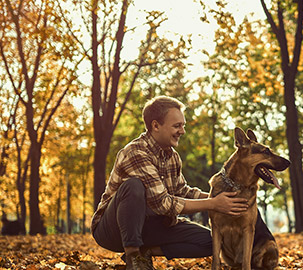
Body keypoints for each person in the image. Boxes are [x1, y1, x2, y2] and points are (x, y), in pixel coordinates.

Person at [91, 96, 249, 270]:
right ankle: (133, 255)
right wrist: (213, 204)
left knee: (213, 242)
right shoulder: (136, 153)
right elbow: (163, 204)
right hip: (112, 229)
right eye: (177, 126)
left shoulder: (172, 156)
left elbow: (182, 191)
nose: (182, 131)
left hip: (152, 225)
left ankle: (147, 252)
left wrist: (222, 197)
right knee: (133, 186)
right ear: (156, 125)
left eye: (183, 125)